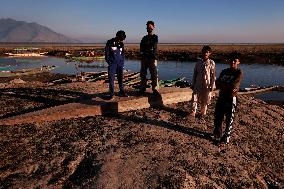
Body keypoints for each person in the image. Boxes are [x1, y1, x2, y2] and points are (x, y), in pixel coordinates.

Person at [212, 52, 243, 144]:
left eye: (235, 61)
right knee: (218, 117)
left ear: (238, 62)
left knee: (229, 119)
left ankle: (226, 137)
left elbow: (233, 86)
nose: (232, 62)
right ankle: (217, 134)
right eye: (231, 60)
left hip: (231, 98)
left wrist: (223, 85)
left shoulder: (238, 72)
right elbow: (217, 84)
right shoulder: (224, 71)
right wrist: (223, 85)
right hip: (221, 97)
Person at [190, 46, 216, 117]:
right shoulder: (198, 63)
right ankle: (193, 112)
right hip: (198, 83)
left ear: (210, 53)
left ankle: (202, 112)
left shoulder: (211, 63)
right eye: (204, 52)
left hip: (207, 84)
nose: (206, 53)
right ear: (202, 52)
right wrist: (193, 84)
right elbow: (195, 74)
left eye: (207, 52)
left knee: (205, 98)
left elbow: (213, 75)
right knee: (195, 97)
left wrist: (212, 85)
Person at [105, 30, 128, 99]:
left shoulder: (121, 43)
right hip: (112, 65)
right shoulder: (110, 42)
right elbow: (107, 54)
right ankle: (111, 94)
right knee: (111, 79)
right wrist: (110, 62)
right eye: (120, 39)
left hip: (120, 64)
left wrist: (122, 62)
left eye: (122, 39)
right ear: (117, 36)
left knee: (120, 78)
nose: (121, 40)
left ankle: (122, 91)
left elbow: (123, 54)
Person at [139, 20, 159, 95]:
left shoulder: (155, 37)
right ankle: (142, 88)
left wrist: (146, 48)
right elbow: (141, 47)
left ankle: (155, 89)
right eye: (147, 26)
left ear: (153, 27)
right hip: (144, 58)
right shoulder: (144, 38)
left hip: (152, 58)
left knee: (154, 74)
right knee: (143, 74)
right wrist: (145, 50)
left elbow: (153, 45)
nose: (148, 28)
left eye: (150, 26)